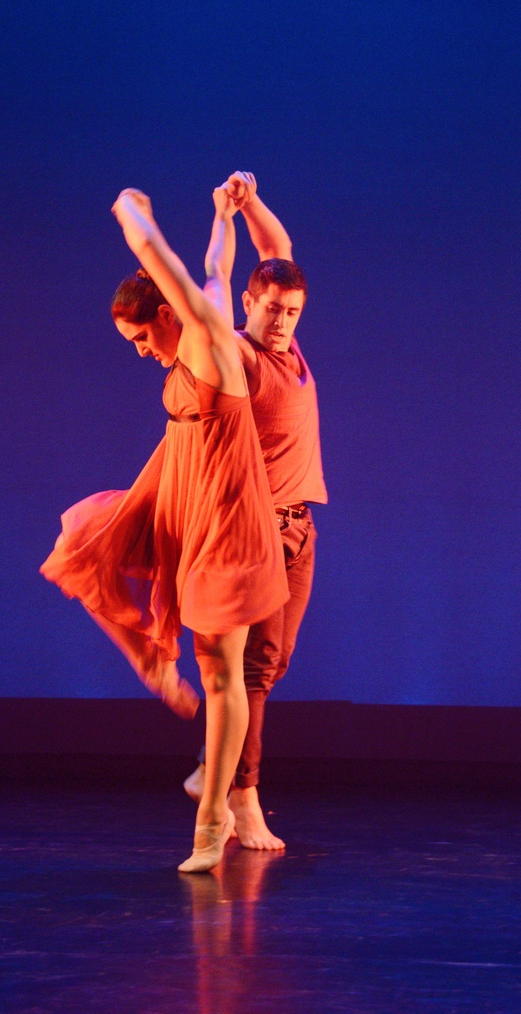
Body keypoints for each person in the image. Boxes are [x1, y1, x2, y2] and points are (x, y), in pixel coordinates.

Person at [40, 184, 288, 873]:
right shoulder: (197, 322)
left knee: (220, 673)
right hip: (175, 486)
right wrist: (221, 216)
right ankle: (152, 660)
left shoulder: (207, 339)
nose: (142, 351)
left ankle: (212, 819)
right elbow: (215, 264)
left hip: (225, 512)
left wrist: (128, 206)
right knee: (79, 541)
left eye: (144, 337)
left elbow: (160, 255)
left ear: (167, 315)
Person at [184, 173, 327, 851]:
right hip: (258, 530)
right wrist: (221, 218)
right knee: (253, 675)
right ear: (250, 304)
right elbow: (217, 275)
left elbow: (280, 249)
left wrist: (250, 203)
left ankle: (213, 767)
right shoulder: (238, 353)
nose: (282, 320)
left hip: (301, 528)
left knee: (272, 664)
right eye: (272, 309)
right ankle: (242, 798)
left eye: (292, 311)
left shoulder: (289, 348)